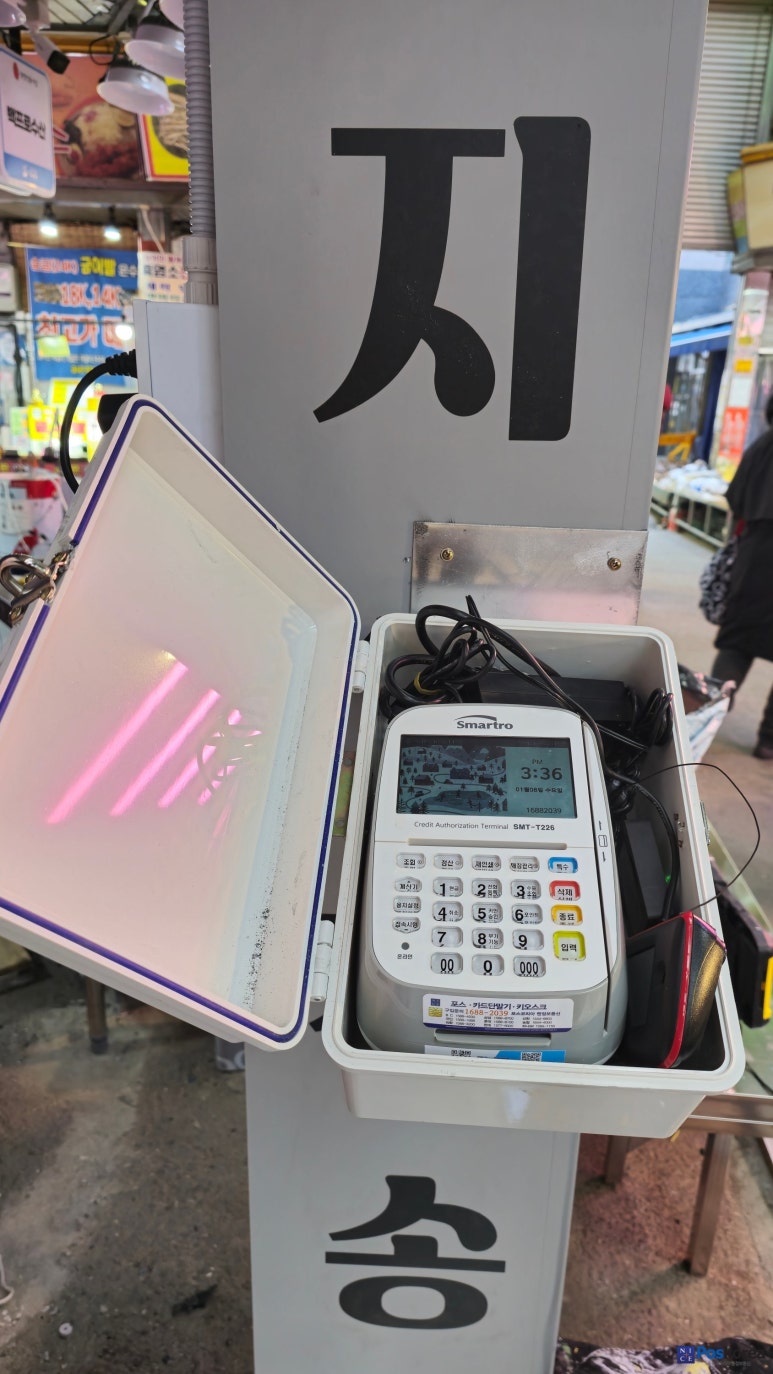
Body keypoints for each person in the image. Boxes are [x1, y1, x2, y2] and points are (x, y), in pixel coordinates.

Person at [712, 392, 773, 759]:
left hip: (755, 559)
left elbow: (736, 500)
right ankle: (768, 740)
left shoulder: (760, 448)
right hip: (756, 553)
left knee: (737, 643)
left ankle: (709, 717)